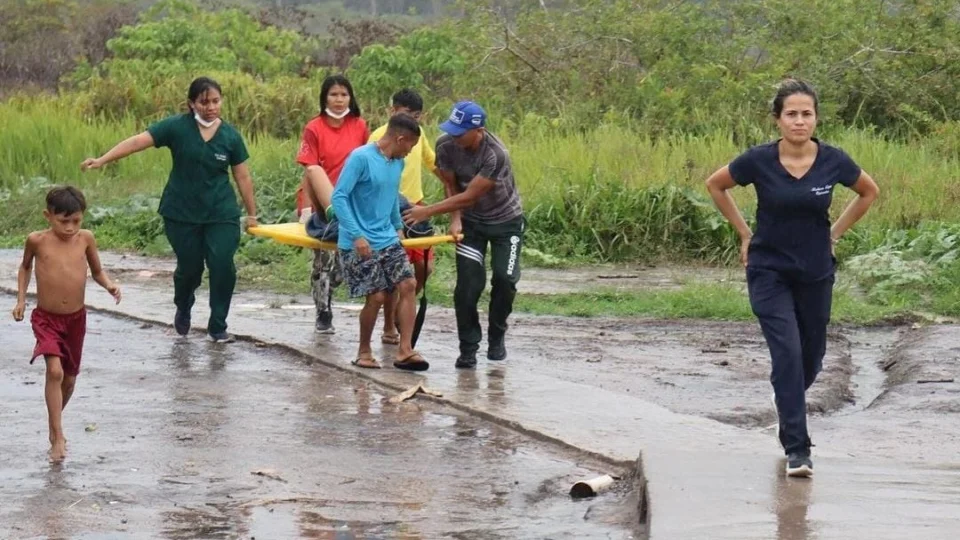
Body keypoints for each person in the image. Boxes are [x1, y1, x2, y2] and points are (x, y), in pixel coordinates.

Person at [704, 79, 879, 477]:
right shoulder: (758, 160)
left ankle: (786, 398)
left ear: (816, 118)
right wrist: (744, 234)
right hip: (769, 269)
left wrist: (835, 233)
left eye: (807, 114)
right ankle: (797, 449)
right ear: (778, 119)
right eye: (791, 114)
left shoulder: (834, 160)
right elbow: (716, 185)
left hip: (815, 270)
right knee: (787, 351)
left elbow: (869, 192)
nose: (799, 121)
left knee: (812, 356)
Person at [81, 76, 257, 343]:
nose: (210, 107)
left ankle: (218, 325)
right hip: (181, 212)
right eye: (204, 102)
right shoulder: (176, 127)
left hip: (221, 213)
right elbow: (137, 142)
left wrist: (252, 214)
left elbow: (242, 177)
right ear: (191, 104)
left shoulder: (231, 136)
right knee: (190, 268)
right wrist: (102, 160)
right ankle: (183, 306)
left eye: (215, 101)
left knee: (223, 265)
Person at [403, 101, 524, 369]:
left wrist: (427, 212)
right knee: (468, 287)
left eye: (460, 133)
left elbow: (469, 196)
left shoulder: (496, 154)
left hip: (506, 222)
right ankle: (468, 348)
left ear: (478, 131)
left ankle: (497, 334)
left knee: (505, 279)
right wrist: (455, 219)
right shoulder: (446, 145)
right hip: (472, 225)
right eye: (452, 130)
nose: (454, 138)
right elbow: (451, 184)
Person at [11, 186, 122, 462]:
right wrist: (21, 300)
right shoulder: (36, 241)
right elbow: (25, 268)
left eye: (76, 220)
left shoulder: (86, 239)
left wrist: (108, 285)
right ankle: (58, 436)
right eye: (63, 221)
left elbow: (96, 271)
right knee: (55, 371)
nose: (70, 227)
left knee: (69, 381)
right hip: (46, 319)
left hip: (76, 319)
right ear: (48, 216)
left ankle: (53, 425)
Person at [332, 114, 427, 371]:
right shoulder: (361, 158)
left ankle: (405, 350)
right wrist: (357, 235)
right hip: (357, 240)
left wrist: (398, 229)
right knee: (376, 296)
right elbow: (339, 197)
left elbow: (392, 197)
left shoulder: (396, 164)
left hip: (387, 237)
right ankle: (364, 351)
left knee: (408, 284)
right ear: (400, 139)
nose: (410, 152)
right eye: (410, 146)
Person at [367, 89, 443, 345]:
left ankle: (402, 311)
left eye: (416, 115)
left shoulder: (418, 137)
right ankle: (389, 326)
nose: (412, 120)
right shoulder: (378, 137)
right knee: (393, 273)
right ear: (393, 112)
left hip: (416, 209)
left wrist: (455, 189)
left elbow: (434, 164)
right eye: (406, 114)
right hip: (388, 209)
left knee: (425, 266)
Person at [295, 74, 369, 334]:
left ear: (351, 97)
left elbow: (367, 163)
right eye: (333, 94)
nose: (339, 100)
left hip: (353, 203)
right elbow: (309, 169)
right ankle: (323, 312)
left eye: (344, 94)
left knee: (343, 267)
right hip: (324, 205)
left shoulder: (360, 126)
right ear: (324, 97)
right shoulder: (314, 127)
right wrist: (305, 208)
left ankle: (333, 286)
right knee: (322, 261)